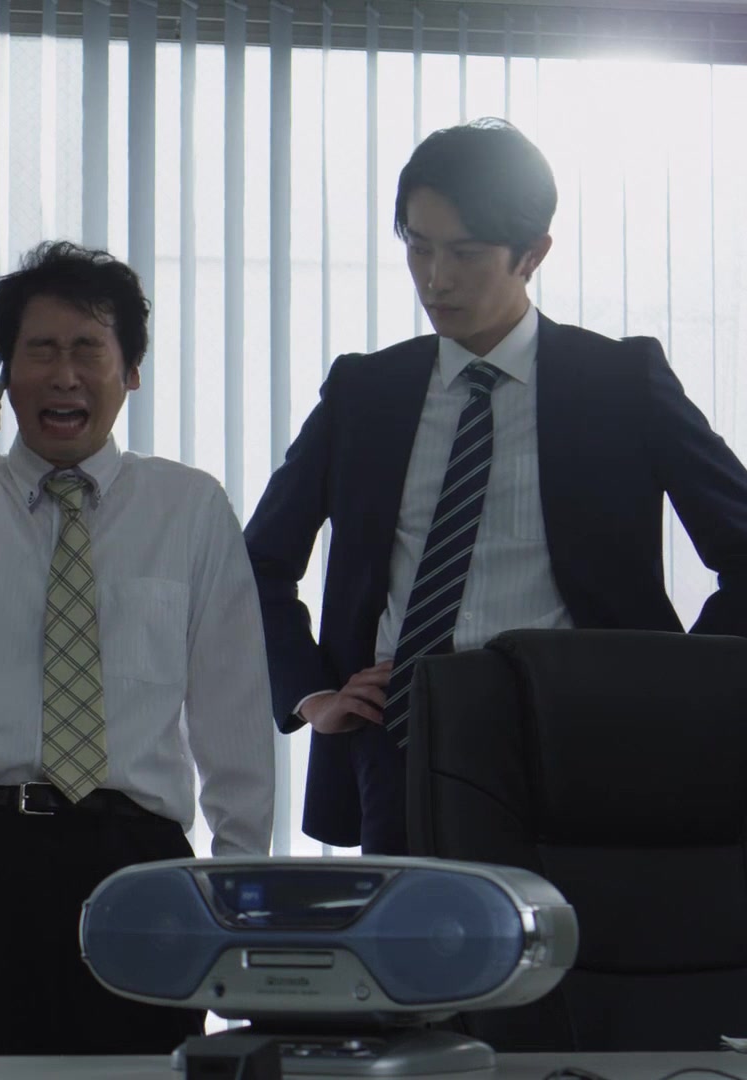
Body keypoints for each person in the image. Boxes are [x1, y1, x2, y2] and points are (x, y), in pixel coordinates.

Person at [246, 118, 747, 855]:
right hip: (400, 735)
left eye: (465, 254)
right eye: (418, 247)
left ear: (533, 254)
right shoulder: (365, 391)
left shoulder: (620, 383)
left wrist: (670, 688)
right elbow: (258, 563)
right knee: (415, 931)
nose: (435, 278)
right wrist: (312, 693)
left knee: (585, 930)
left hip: (585, 735)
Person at [0, 240, 274, 1055]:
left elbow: (234, 709)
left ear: (131, 371)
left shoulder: (188, 506)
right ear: (5, 376)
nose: (64, 374)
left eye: (88, 350)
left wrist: (239, 888)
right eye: (39, 350)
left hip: (139, 865)